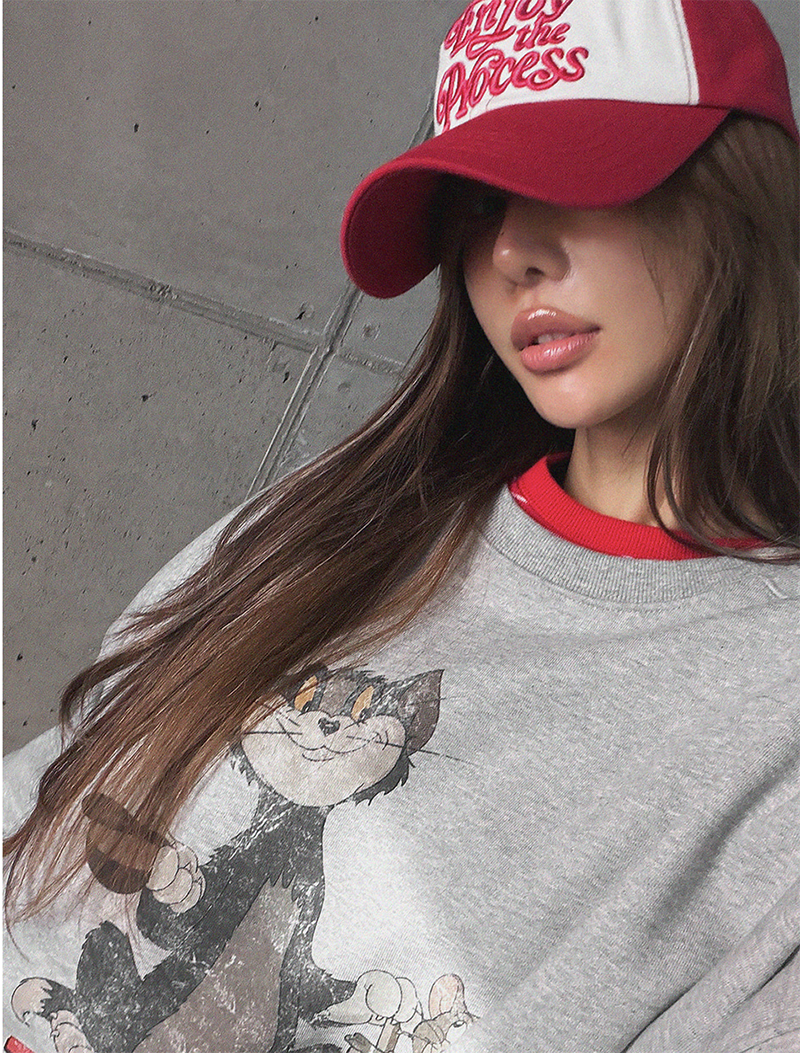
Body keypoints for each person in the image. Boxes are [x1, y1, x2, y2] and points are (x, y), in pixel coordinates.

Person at [4, 0, 800, 1051]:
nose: (509, 251)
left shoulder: (771, 709)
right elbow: (54, 789)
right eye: (476, 204)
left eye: (574, 175)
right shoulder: (343, 517)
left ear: (739, 198)